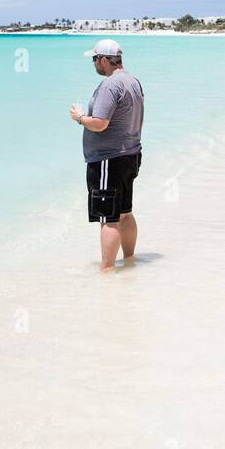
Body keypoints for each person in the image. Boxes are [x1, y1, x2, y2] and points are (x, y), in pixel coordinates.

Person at [69, 39, 144, 273]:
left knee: (108, 218)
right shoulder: (133, 81)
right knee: (125, 212)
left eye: (94, 59)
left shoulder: (111, 85)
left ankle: (107, 270)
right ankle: (129, 259)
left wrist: (79, 118)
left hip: (108, 160)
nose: (94, 64)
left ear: (103, 60)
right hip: (130, 155)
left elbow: (100, 124)